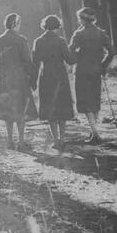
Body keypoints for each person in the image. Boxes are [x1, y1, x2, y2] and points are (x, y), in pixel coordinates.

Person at [0, 13, 38, 150]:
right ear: (15, 24)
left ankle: (10, 141)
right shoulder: (21, 40)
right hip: (19, 79)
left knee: (8, 110)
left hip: (5, 78)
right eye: (19, 23)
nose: (20, 26)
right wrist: (32, 78)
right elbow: (27, 61)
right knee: (21, 110)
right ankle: (21, 142)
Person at [68, 7, 114, 144]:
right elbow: (112, 51)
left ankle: (95, 133)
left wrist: (77, 57)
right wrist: (103, 66)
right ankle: (94, 132)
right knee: (95, 101)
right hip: (96, 71)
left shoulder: (79, 34)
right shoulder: (101, 33)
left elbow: (70, 50)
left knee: (85, 101)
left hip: (82, 71)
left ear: (82, 19)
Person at [32, 15, 76, 151]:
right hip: (60, 76)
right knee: (62, 107)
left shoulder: (38, 41)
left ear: (44, 26)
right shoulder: (60, 41)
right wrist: (77, 52)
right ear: (57, 26)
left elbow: (35, 63)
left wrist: (33, 81)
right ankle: (62, 139)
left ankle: (55, 140)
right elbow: (70, 60)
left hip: (46, 76)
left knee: (50, 108)